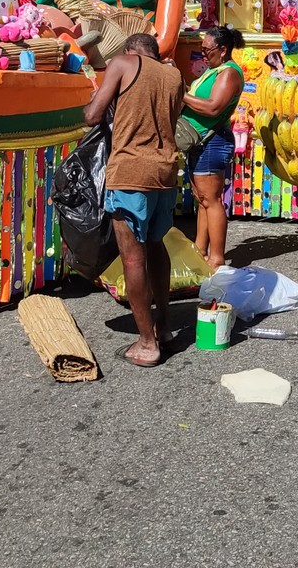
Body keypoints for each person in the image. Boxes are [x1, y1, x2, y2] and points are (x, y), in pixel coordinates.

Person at [83, 32, 184, 367]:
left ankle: (146, 344)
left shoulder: (122, 63)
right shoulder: (173, 74)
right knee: (156, 246)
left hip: (131, 172)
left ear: (130, 51)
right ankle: (165, 328)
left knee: (133, 259)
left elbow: (93, 116)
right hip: (165, 173)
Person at [180, 24, 246, 268]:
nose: (203, 54)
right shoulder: (213, 71)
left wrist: (181, 93)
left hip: (212, 141)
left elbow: (213, 107)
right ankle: (200, 251)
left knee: (212, 199)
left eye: (207, 50)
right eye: (202, 49)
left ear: (223, 49)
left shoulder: (228, 73)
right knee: (203, 200)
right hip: (201, 142)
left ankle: (216, 257)